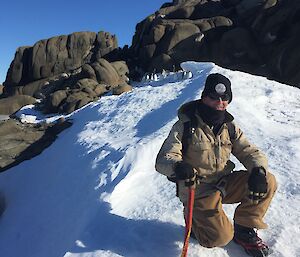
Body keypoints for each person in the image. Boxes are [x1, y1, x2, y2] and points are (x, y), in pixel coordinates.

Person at [155, 73, 277, 257]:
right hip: (198, 188)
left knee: (267, 180)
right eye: (213, 97)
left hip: (224, 181)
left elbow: (249, 151)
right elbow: (164, 159)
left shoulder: (229, 126)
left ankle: (244, 228)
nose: (219, 102)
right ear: (204, 97)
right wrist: (178, 167)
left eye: (224, 98)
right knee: (219, 238)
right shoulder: (186, 126)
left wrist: (258, 171)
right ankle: (195, 220)